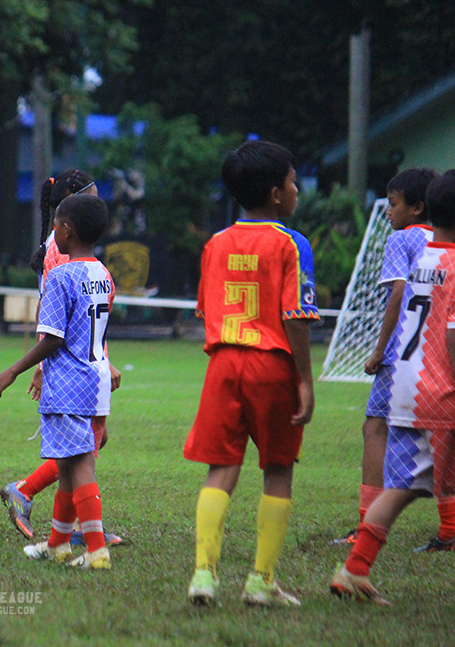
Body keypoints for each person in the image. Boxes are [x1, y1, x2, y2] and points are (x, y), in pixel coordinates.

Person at [184, 140, 319, 607]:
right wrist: (304, 379)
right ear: (277, 194)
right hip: (271, 364)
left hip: (223, 362)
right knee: (278, 468)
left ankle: (204, 574)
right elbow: (296, 316)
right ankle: (261, 580)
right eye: (293, 180)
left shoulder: (215, 244)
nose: (297, 188)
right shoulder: (291, 243)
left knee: (220, 467)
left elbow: (207, 310)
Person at [330, 171, 455, 605]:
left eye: (392, 200)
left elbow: (402, 295)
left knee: (396, 468)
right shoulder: (447, 256)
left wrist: (382, 351)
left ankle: (359, 553)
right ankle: (447, 532)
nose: (387, 208)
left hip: (407, 373)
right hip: (442, 381)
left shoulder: (417, 254)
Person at [0, 193, 116, 570]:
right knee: (65, 465)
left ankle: (95, 550)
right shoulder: (102, 274)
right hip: (96, 379)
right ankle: (58, 544)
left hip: (69, 385)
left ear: (65, 229)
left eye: (55, 228)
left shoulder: (61, 277)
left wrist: (12, 370)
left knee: (79, 467)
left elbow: (53, 339)